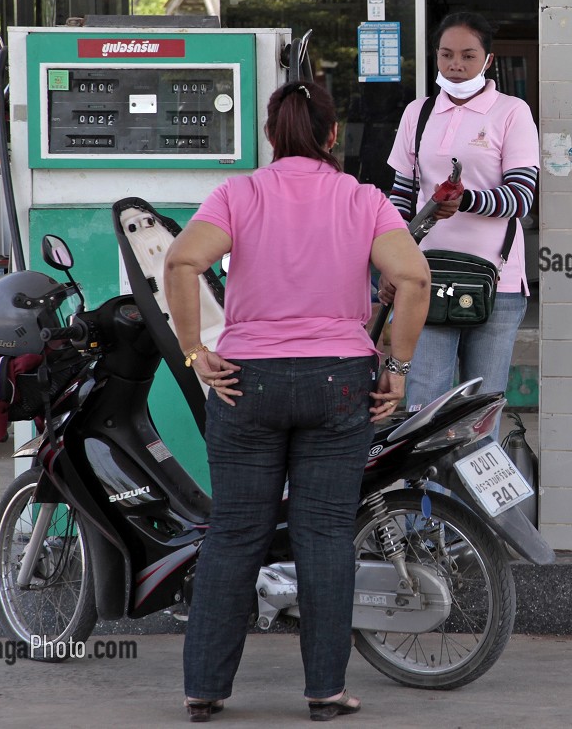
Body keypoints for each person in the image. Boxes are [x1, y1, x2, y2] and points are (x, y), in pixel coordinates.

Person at [164, 80, 431, 723]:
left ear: (269, 137)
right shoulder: (363, 199)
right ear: (333, 135)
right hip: (338, 380)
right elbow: (414, 276)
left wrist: (197, 353)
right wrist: (396, 366)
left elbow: (180, 263)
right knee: (325, 536)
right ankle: (325, 691)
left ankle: (204, 689)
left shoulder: (239, 193)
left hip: (246, 380)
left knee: (234, 535)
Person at [384, 12, 539, 416]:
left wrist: (465, 200)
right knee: (423, 406)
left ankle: (473, 481)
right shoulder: (417, 113)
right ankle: (429, 484)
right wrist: (391, 261)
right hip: (424, 276)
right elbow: (402, 195)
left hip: (497, 279)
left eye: (468, 56)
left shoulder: (511, 112)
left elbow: (522, 199)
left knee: (480, 412)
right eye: (446, 55)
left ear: (488, 60)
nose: (456, 65)